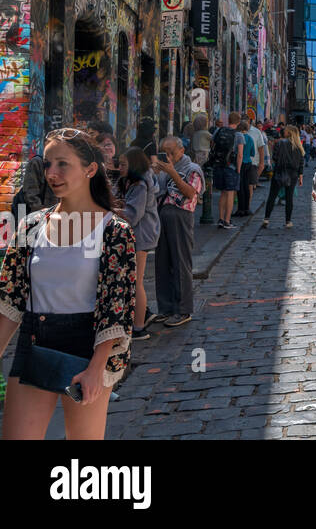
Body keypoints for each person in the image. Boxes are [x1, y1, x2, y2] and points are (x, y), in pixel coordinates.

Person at [0, 129, 136, 441]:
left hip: (87, 347)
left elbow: (118, 309)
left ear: (90, 169)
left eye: (63, 164)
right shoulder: (31, 226)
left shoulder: (115, 231)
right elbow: (11, 298)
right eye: (47, 164)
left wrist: (96, 368)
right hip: (34, 340)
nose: (52, 173)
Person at [152, 136, 204, 328]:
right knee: (163, 262)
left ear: (181, 151)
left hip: (180, 215)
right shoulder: (165, 169)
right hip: (162, 214)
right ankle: (166, 307)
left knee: (181, 262)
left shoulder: (192, 169)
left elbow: (191, 193)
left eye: (171, 152)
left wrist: (172, 173)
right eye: (164, 153)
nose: (168, 156)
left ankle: (183, 309)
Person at [116, 147, 160, 340]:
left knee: (137, 281)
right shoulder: (130, 181)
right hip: (139, 234)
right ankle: (139, 319)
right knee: (133, 280)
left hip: (141, 235)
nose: (119, 167)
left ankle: (139, 326)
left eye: (123, 164)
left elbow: (133, 214)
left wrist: (113, 210)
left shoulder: (140, 184)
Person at [264, 126, 305, 229]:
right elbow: (301, 162)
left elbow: (275, 158)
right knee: (289, 198)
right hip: (293, 174)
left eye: (286, 130)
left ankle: (266, 218)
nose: (284, 132)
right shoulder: (298, 146)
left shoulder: (279, 143)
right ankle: (288, 221)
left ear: (289, 133)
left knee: (272, 196)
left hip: (280, 172)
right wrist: (300, 176)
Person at [211, 114, 243, 229]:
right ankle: (227, 220)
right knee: (230, 193)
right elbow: (240, 154)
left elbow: (212, 145)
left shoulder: (218, 131)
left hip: (219, 165)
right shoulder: (239, 135)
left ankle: (220, 218)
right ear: (238, 122)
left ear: (228, 120)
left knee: (223, 193)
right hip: (231, 167)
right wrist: (238, 169)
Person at [235, 120, 257, 218]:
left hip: (240, 163)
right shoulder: (250, 138)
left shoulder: (238, 137)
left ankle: (240, 209)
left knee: (240, 187)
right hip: (248, 163)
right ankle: (247, 208)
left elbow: (237, 152)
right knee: (247, 186)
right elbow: (253, 153)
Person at [247, 119, 268, 184]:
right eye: (258, 126)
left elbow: (261, 147)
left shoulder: (261, 133)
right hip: (251, 159)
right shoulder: (255, 132)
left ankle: (255, 182)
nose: (259, 127)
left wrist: (261, 163)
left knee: (251, 183)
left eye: (260, 126)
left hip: (256, 158)